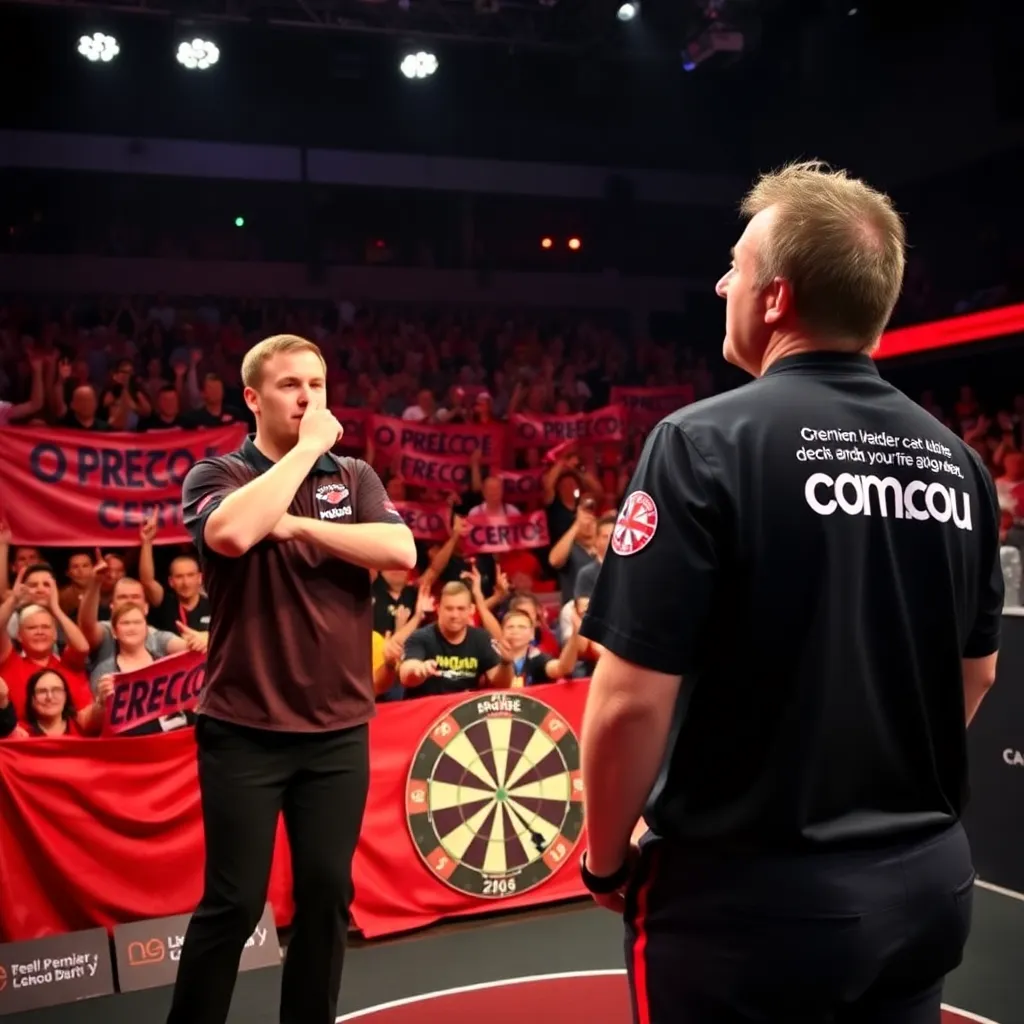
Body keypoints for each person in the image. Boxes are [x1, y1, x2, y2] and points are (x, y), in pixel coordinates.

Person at [577, 161, 1004, 1024]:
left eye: (735, 265)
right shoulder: (959, 464)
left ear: (774, 299)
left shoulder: (700, 443)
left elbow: (628, 702)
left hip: (751, 905)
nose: (720, 283)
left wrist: (606, 857)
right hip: (925, 886)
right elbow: (979, 672)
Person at [166, 333, 416, 1024]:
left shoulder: (355, 476)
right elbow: (230, 535)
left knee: (328, 895)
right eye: (290, 385)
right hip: (244, 727)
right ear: (252, 397)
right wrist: (304, 452)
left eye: (317, 384)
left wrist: (299, 528)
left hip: (338, 729)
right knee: (235, 902)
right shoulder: (216, 473)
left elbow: (399, 549)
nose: (308, 397)